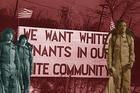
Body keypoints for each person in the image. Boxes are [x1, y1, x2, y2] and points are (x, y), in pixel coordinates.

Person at [107, 20, 135, 93]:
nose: (123, 27)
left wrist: (131, 62)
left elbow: (132, 52)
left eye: (125, 25)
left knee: (126, 86)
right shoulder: (113, 39)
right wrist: (109, 66)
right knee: (117, 86)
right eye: (121, 25)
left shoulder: (130, 39)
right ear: (118, 27)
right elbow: (109, 53)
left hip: (126, 65)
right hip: (116, 65)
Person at [0, 28, 21, 93]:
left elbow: (17, 59)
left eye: (11, 34)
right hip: (4, 68)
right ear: (5, 35)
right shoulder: (1, 45)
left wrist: (18, 69)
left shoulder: (14, 46)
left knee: (14, 86)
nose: (10, 36)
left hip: (13, 69)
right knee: (5, 86)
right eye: (8, 34)